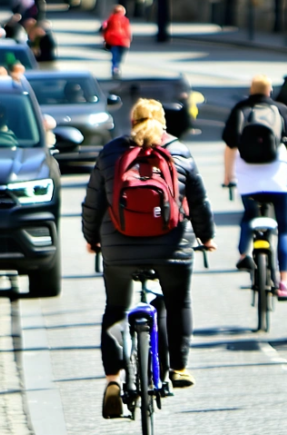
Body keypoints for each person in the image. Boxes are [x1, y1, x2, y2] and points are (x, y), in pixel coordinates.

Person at [82, 99, 215, 416]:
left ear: (132, 122)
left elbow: (93, 202)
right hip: (171, 246)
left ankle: (113, 380)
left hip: (118, 246)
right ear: (163, 122)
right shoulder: (179, 150)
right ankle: (179, 368)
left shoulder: (112, 152)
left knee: (115, 308)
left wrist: (92, 239)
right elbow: (198, 200)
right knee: (178, 300)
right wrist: (206, 236)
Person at [223, 76, 287, 301]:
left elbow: (230, 147)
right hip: (277, 176)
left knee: (249, 215)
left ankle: (242, 254)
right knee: (284, 228)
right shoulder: (280, 110)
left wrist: (228, 176)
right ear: (269, 91)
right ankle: (284, 282)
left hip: (247, 177)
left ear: (251, 90)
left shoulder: (240, 109)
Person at [102, 5, 132, 79]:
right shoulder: (125, 19)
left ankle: (115, 68)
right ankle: (117, 67)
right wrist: (129, 39)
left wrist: (105, 39)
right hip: (124, 41)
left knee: (114, 55)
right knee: (120, 56)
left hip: (113, 40)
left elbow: (104, 28)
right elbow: (128, 30)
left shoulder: (110, 19)